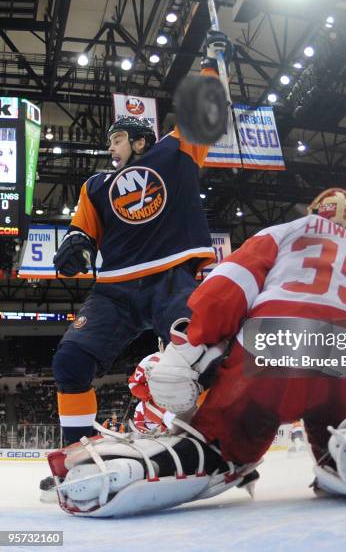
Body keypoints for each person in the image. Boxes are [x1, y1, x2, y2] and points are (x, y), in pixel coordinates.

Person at [47, 187, 346, 516]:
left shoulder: (283, 232)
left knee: (220, 448)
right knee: (338, 437)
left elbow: (226, 290)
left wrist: (194, 342)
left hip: (269, 346)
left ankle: (143, 466)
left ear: (313, 212)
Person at [50, 31, 233, 447]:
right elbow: (82, 228)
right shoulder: (95, 185)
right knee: (70, 362)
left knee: (199, 354)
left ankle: (213, 436)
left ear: (139, 140)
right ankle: (76, 452)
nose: (110, 148)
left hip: (171, 279)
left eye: (116, 140)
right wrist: (74, 246)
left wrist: (213, 62)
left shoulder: (175, 152)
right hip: (114, 291)